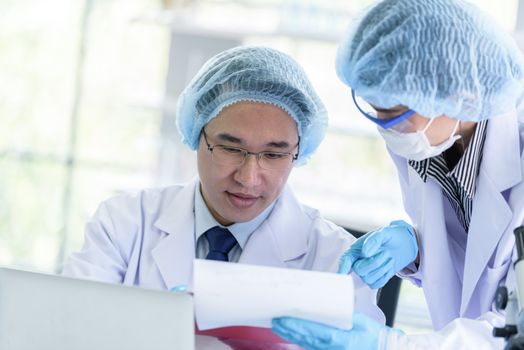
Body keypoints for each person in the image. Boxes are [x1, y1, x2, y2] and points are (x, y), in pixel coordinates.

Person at [62, 46, 384, 322]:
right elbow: (70, 328)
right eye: (231, 148)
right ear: (195, 135)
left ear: (298, 152)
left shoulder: (333, 259)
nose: (248, 178)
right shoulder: (124, 223)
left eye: (274, 155)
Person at [271, 0, 524, 348]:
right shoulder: (426, 139)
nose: (386, 128)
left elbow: (514, 329)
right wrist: (417, 250)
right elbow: (472, 259)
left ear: (459, 97)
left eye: (393, 114)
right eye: (375, 110)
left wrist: (391, 346)